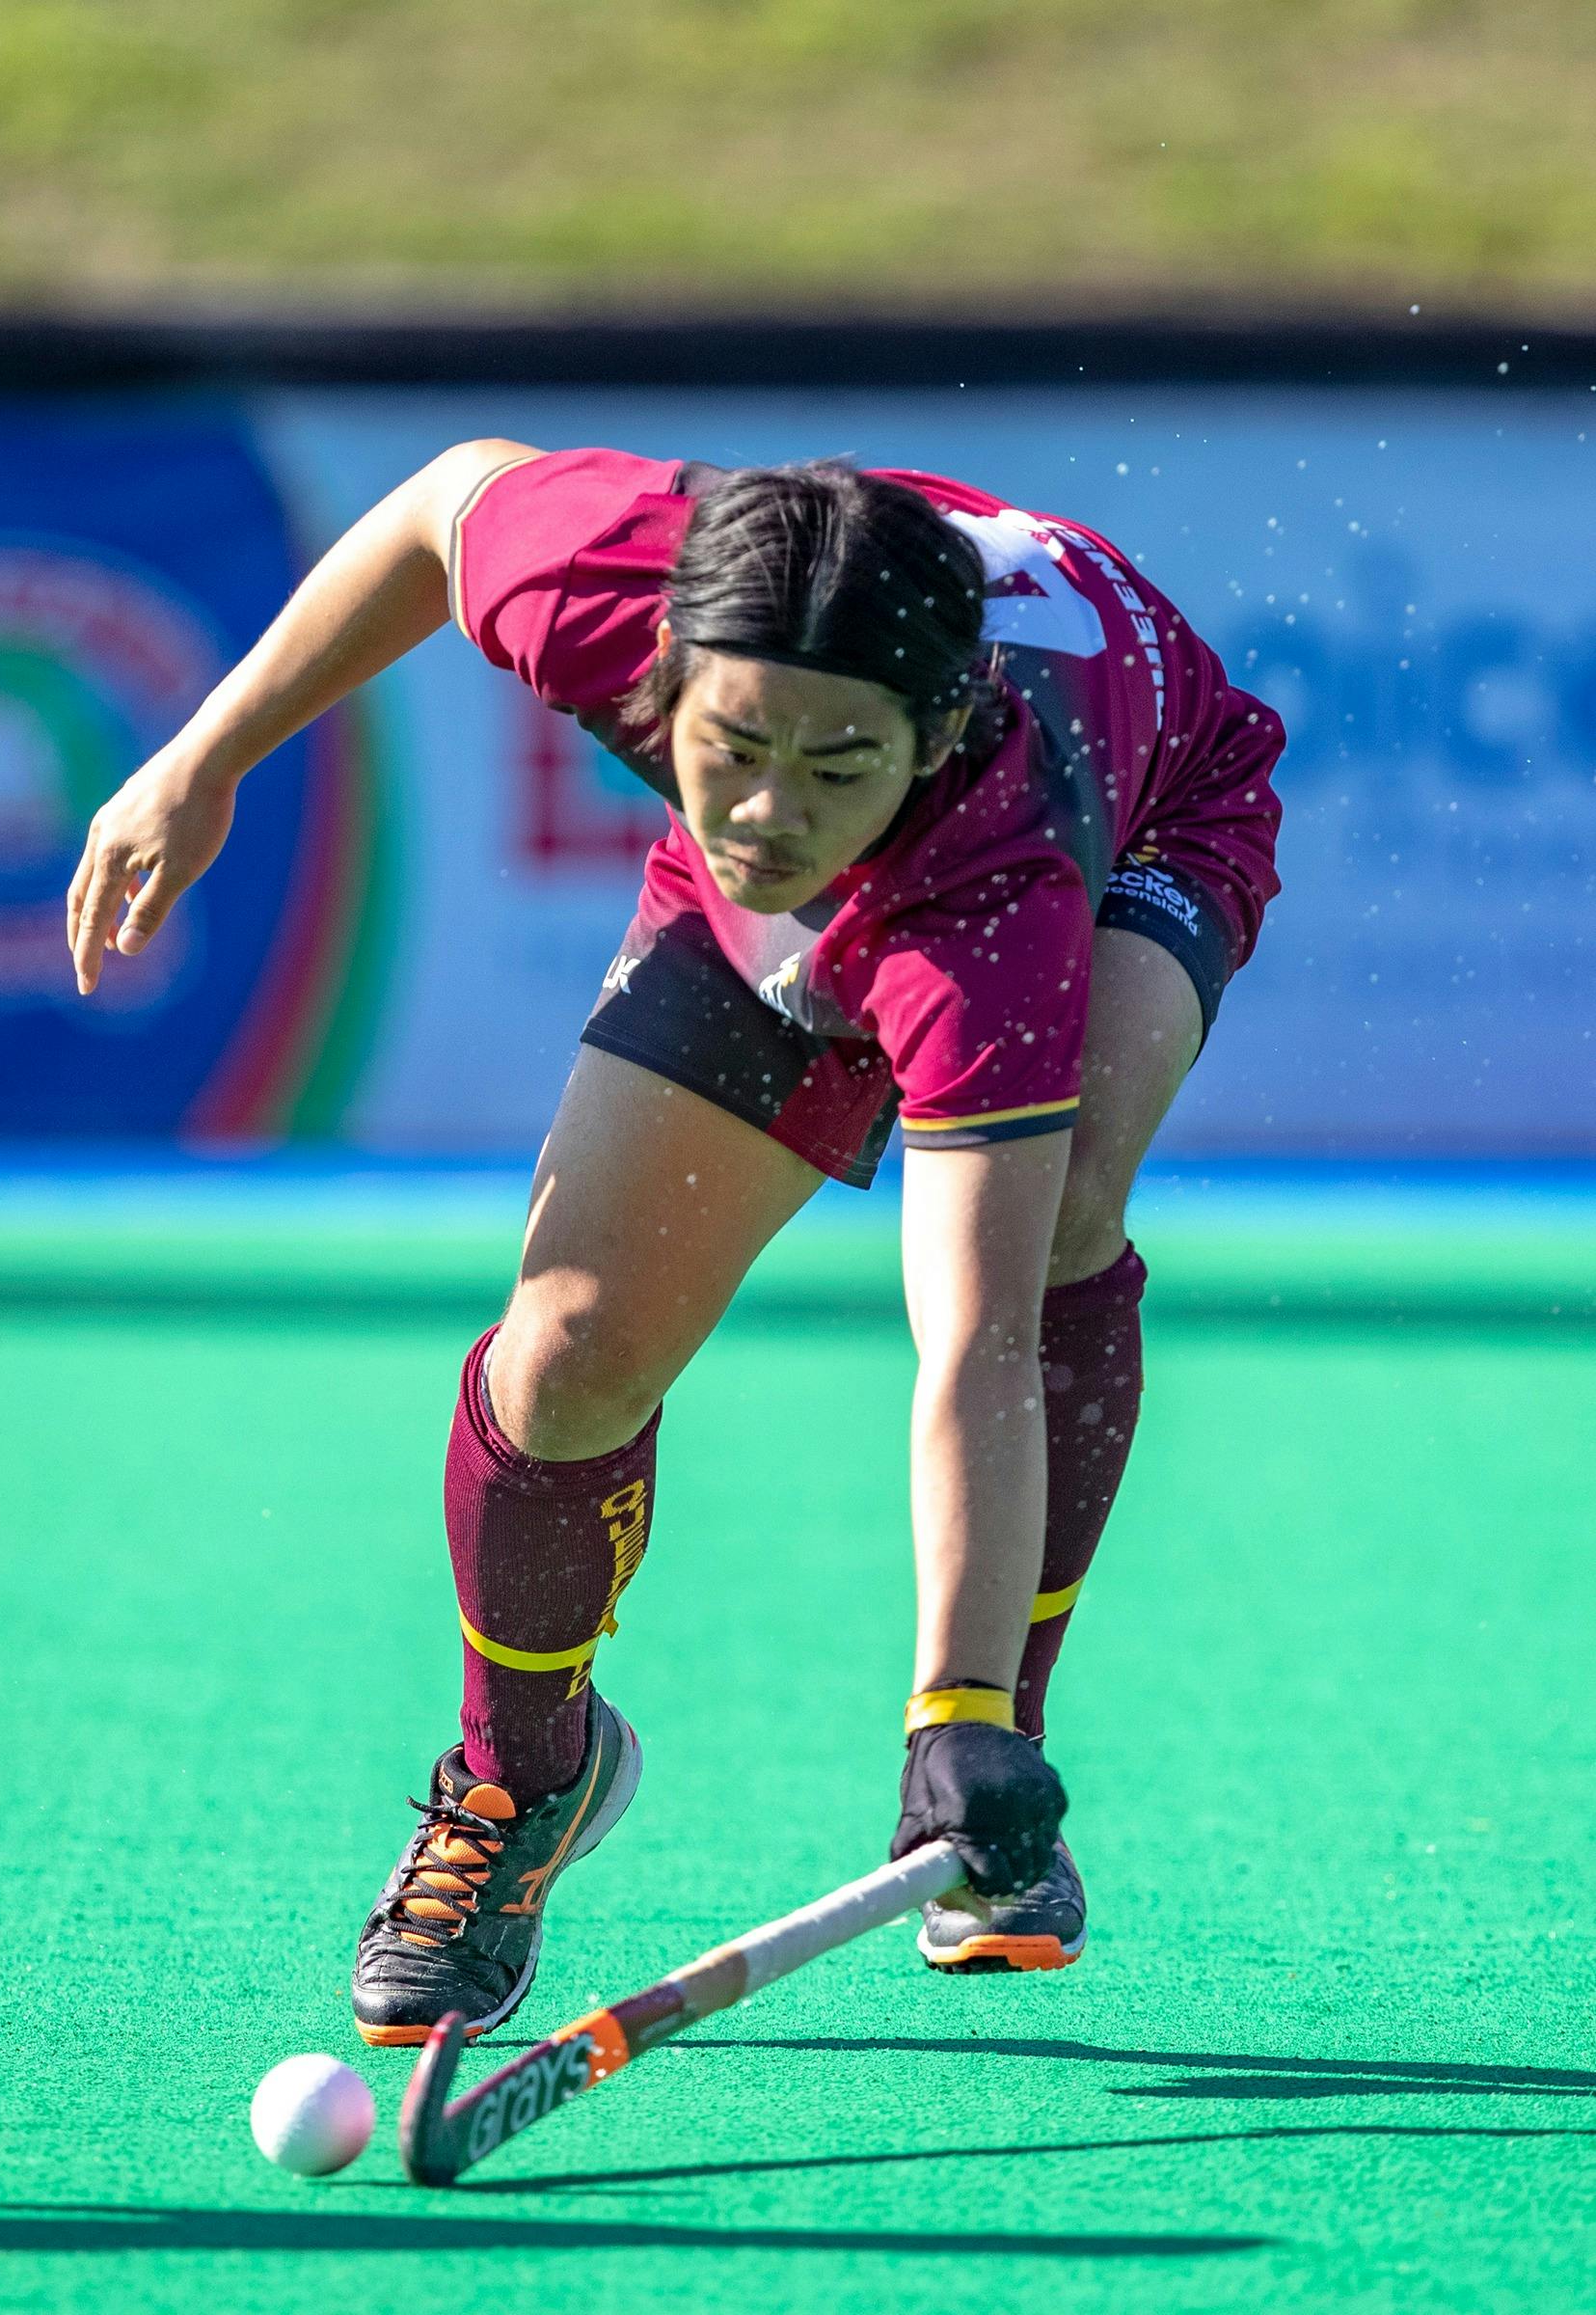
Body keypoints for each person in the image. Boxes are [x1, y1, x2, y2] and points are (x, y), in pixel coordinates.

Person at [68, 444, 1282, 2039]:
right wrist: (203, 759)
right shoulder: (612, 584)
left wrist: (961, 1710)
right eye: (735, 747)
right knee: (563, 1357)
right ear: (669, 675)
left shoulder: (1001, 866)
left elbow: (966, 1338)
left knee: (1045, 1224)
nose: (772, 811)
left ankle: (991, 1775)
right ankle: (519, 1777)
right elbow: (442, 511)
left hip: (1134, 825)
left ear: (933, 730)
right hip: (871, 785)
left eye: (841, 762)